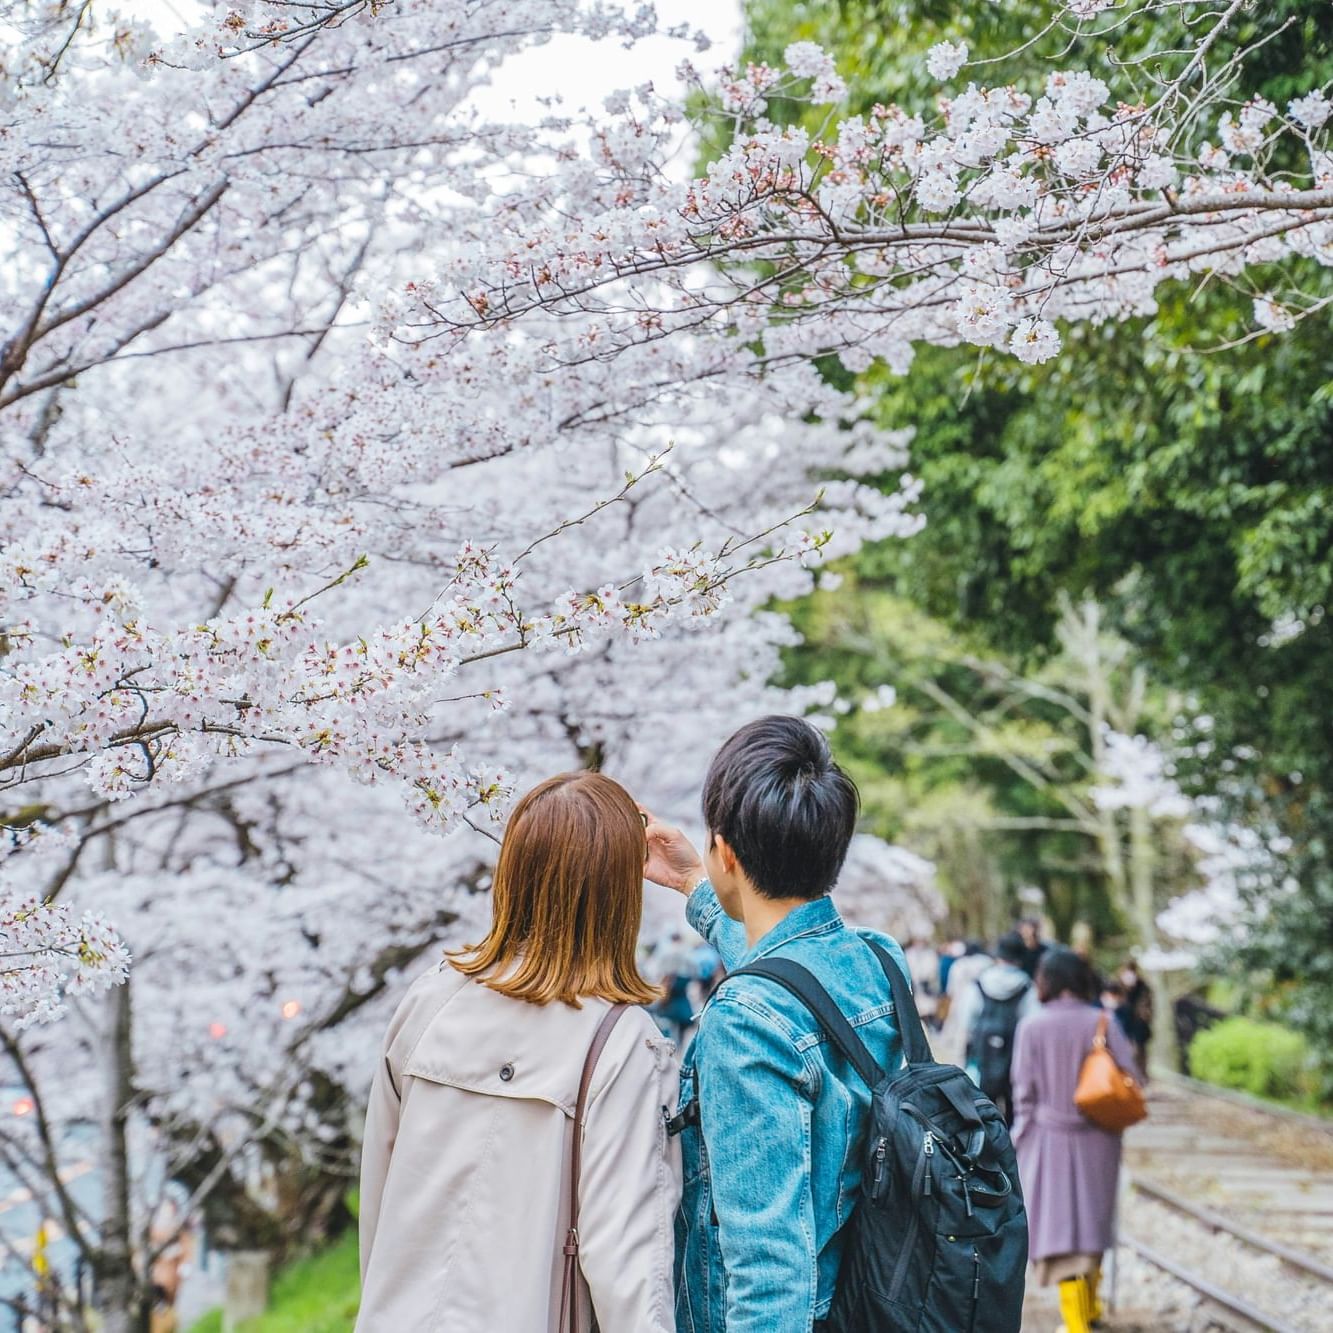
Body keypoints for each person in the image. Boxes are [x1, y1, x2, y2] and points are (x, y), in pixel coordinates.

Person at [357, 772, 681, 1333]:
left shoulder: (431, 998)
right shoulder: (621, 1040)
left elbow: (380, 1201)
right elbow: (627, 1268)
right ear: (619, 893)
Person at [641, 715, 910, 1333]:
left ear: (726, 853)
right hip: (867, 1301)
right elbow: (790, 974)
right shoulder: (878, 959)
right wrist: (689, 879)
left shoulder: (744, 1022)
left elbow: (770, 1272)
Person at [1011, 947, 1144, 1333]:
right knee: (1092, 1225)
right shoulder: (1102, 1020)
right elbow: (1130, 1074)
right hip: (1099, 1139)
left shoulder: (1032, 1027)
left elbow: (1024, 1095)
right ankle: (1090, 1311)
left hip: (1047, 1138)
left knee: (1060, 1233)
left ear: (1047, 981)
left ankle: (1076, 1324)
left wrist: (1017, 1142)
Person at [954, 931, 1040, 1122]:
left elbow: (966, 1022)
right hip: (1015, 1061)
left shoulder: (978, 985)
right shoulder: (1027, 989)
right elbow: (1033, 1025)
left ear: (998, 955)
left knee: (982, 1111)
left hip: (982, 1057)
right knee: (1014, 1114)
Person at [935, 939, 991, 1067]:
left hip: (960, 1001)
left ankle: (963, 1064)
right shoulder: (986, 962)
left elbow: (950, 988)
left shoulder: (959, 965)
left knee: (962, 1036)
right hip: (984, 1003)